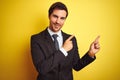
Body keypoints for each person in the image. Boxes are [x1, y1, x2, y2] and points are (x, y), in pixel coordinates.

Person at [31, 2, 100, 80]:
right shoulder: (36, 39)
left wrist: (90, 53)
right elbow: (42, 69)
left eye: (62, 18)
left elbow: (77, 66)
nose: (58, 21)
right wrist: (63, 50)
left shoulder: (71, 39)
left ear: (65, 19)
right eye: (55, 16)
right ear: (49, 16)